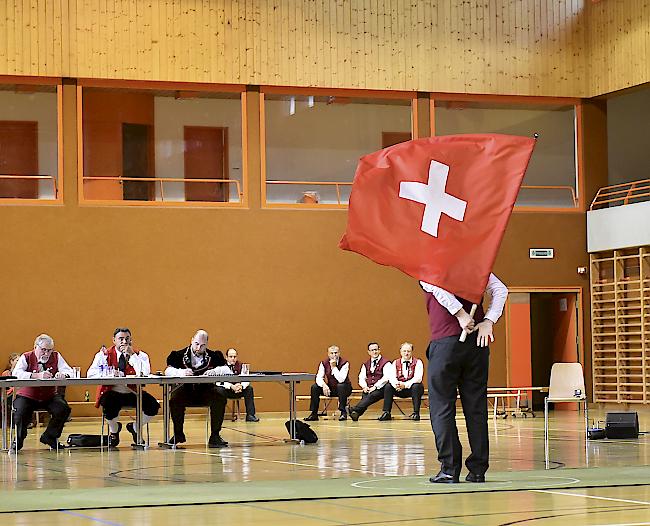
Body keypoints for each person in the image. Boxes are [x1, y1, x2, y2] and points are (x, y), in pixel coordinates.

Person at [421, 273, 508, 484]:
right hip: (476, 343)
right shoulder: (475, 261)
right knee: (476, 407)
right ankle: (478, 470)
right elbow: (501, 290)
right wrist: (488, 320)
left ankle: (450, 469)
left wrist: (460, 314)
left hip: (446, 344)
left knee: (442, 407)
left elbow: (433, 284)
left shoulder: (430, 260)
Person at [87, 328, 160, 446]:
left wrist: (132, 356)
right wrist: (110, 374)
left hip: (133, 392)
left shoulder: (140, 355)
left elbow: (145, 373)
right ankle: (114, 430)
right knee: (108, 404)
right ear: (114, 340)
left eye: (127, 339)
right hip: (112, 392)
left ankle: (135, 427)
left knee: (153, 406)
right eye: (120, 339)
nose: (124, 342)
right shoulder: (104, 355)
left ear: (131, 340)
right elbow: (91, 374)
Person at [165, 330, 231, 447]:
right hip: (185, 392)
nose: (198, 347)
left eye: (202, 345)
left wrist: (215, 371)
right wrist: (182, 372)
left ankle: (215, 435)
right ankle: (178, 434)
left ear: (206, 344)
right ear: (191, 340)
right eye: (196, 344)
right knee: (174, 398)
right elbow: (167, 371)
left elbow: (227, 370)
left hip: (206, 392)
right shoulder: (178, 355)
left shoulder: (214, 356)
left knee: (220, 395)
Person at [11, 334, 73, 451]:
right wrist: (35, 375)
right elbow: (16, 373)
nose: (46, 353)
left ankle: (49, 436)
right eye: (43, 350)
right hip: (27, 396)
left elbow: (69, 370)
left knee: (63, 409)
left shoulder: (56, 356)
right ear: (35, 347)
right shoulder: (26, 357)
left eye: (49, 350)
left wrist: (63, 374)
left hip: (48, 396)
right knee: (20, 411)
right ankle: (18, 440)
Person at [304, 345, 352, 422]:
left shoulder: (345, 363)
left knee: (341, 386)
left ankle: (343, 412)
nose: (334, 355)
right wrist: (324, 385)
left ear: (339, 353)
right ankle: (314, 413)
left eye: (336, 353)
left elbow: (341, 379)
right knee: (315, 387)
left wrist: (334, 367)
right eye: (331, 353)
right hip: (331, 388)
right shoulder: (323, 363)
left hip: (345, 389)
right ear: (328, 354)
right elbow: (319, 377)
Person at [349, 342, 392, 422]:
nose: (374, 352)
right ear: (368, 352)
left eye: (376, 350)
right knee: (366, 395)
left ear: (379, 350)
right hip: (369, 387)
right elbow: (361, 377)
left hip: (382, 388)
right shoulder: (365, 364)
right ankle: (356, 413)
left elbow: (386, 377)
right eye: (372, 350)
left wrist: (375, 387)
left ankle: (354, 409)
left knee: (372, 395)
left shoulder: (386, 363)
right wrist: (364, 386)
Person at [215, 347, 260, 422]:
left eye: (234, 357)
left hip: (238, 390)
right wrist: (231, 386)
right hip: (227, 391)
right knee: (219, 390)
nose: (233, 358)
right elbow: (218, 382)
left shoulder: (242, 366)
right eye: (231, 356)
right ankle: (219, 416)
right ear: (226, 357)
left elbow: (246, 379)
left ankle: (250, 415)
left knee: (249, 389)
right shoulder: (221, 367)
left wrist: (241, 386)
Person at [385, 342, 425, 421]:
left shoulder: (418, 362)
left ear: (411, 352)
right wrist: (397, 385)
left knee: (417, 385)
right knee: (388, 386)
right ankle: (386, 412)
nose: (406, 353)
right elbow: (391, 377)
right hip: (399, 389)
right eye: (404, 351)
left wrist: (405, 385)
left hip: (412, 389)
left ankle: (416, 413)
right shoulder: (395, 363)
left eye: (408, 351)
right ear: (400, 352)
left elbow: (418, 378)